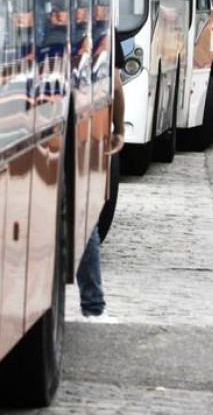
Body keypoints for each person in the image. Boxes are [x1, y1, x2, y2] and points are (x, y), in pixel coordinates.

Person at [75, 49, 126, 322]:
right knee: (85, 217)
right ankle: (93, 306)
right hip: (83, 128)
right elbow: (115, 85)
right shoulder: (104, 20)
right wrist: (119, 130)